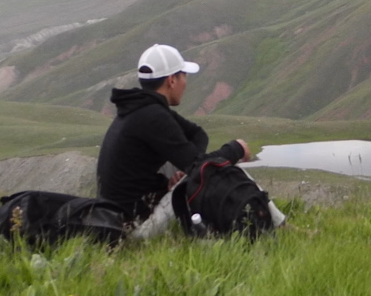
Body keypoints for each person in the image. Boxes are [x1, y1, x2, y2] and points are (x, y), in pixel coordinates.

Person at [96, 43, 253, 227]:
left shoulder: (141, 108)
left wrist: (188, 165)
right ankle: (278, 225)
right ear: (171, 80)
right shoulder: (154, 117)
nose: (185, 83)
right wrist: (236, 149)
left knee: (199, 167)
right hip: (134, 225)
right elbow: (201, 169)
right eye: (183, 76)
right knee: (228, 170)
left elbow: (198, 134)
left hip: (116, 218)